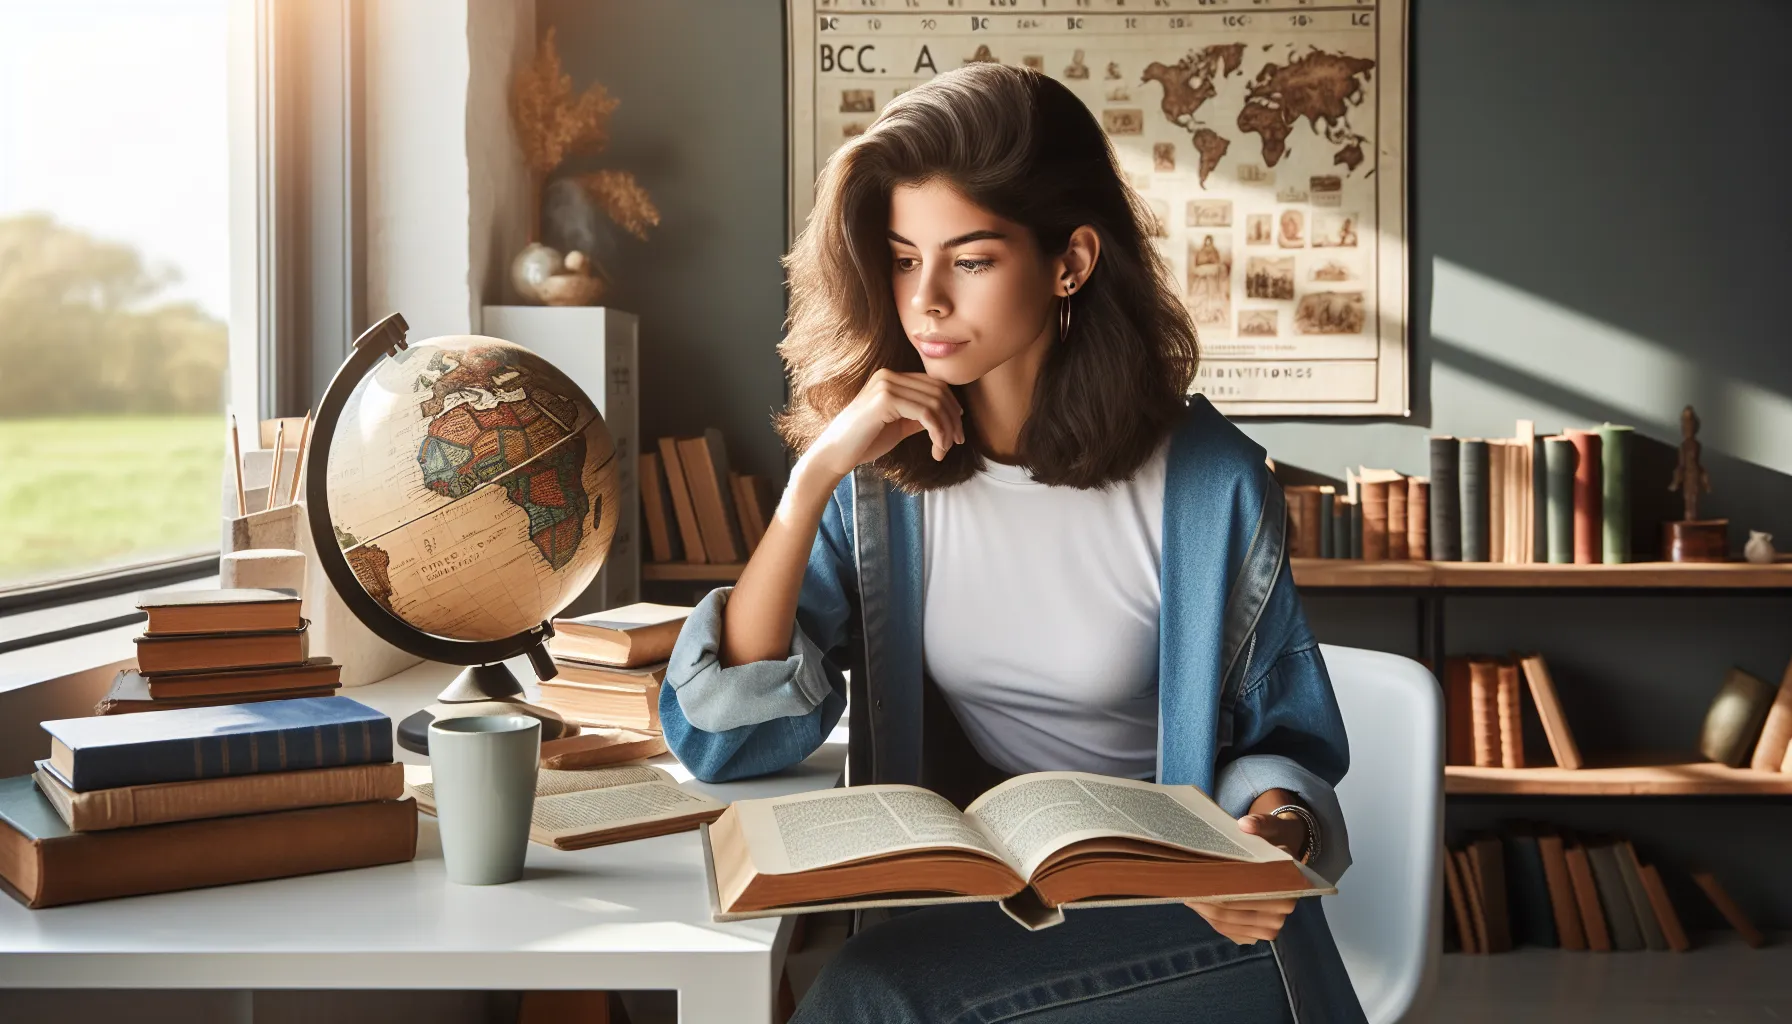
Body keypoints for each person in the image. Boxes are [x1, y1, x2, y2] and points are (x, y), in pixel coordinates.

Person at [660, 63, 1364, 1024]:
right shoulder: (882, 486)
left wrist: (1274, 834)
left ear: (1070, 261)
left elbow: (1279, 744)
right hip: (1008, 904)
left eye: (972, 260)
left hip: (1194, 915)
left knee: (868, 996)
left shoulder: (1208, 485)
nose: (927, 301)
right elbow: (726, 738)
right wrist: (812, 476)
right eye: (905, 258)